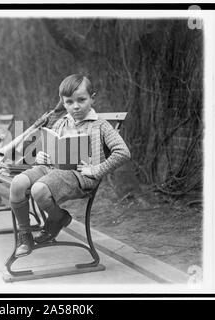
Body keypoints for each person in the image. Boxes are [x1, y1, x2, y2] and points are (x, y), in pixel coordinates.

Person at [9, 74, 131, 257]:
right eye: (69, 102)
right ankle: (25, 234)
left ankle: (57, 218)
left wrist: (97, 169)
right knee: (17, 184)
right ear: (63, 102)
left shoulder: (101, 125)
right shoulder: (61, 122)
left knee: (38, 189)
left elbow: (123, 152)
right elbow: (50, 150)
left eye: (81, 100)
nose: (75, 106)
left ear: (92, 98)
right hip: (53, 169)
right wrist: (42, 157)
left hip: (81, 175)